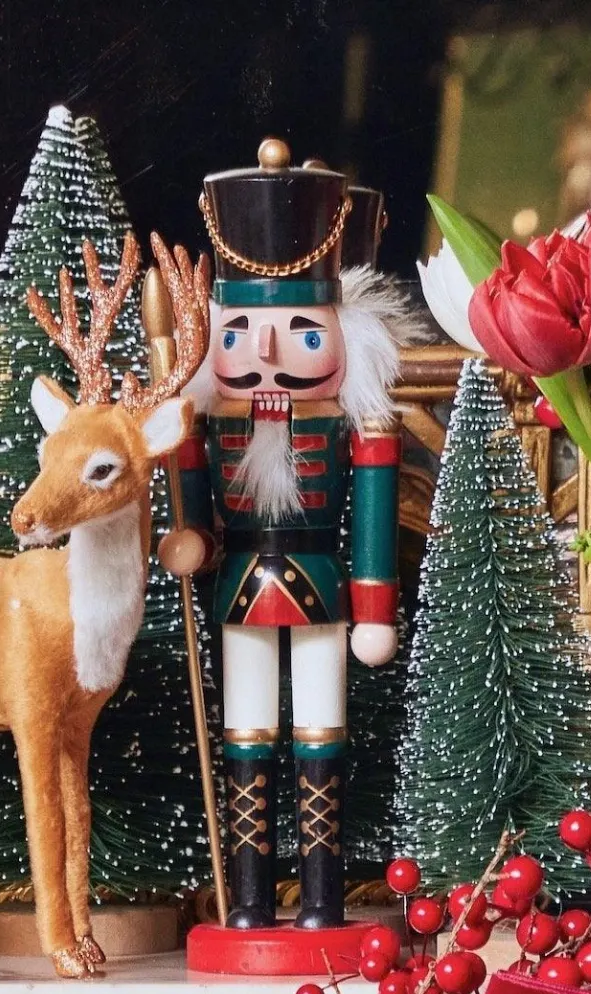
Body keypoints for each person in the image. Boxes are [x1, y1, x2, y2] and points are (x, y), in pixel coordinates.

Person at [159, 142, 410, 931]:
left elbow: (370, 523)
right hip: (240, 589)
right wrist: (191, 537)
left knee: (321, 737)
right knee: (245, 738)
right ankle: (248, 903)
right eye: (238, 335)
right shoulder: (207, 427)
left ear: (346, 337)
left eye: (301, 332)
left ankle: (324, 901)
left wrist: (374, 609)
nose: (264, 350)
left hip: (322, 588)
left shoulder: (358, 428)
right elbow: (194, 512)